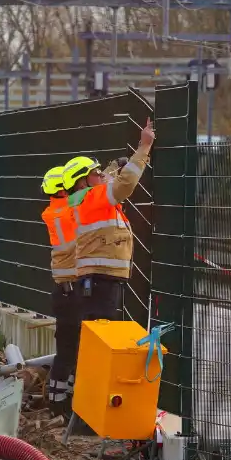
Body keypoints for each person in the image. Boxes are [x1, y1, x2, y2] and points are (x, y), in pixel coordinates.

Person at [63, 119, 155, 322]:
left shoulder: (82, 199)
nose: (101, 175)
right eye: (96, 173)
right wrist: (144, 147)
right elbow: (125, 184)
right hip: (100, 280)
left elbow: (107, 178)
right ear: (82, 182)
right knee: (101, 336)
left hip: (99, 279)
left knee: (98, 336)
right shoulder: (90, 198)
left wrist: (116, 165)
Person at [40, 165, 80, 418]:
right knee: (76, 348)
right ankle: (70, 401)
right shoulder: (70, 211)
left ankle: (56, 400)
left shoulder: (51, 212)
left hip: (62, 288)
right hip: (75, 288)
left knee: (65, 348)